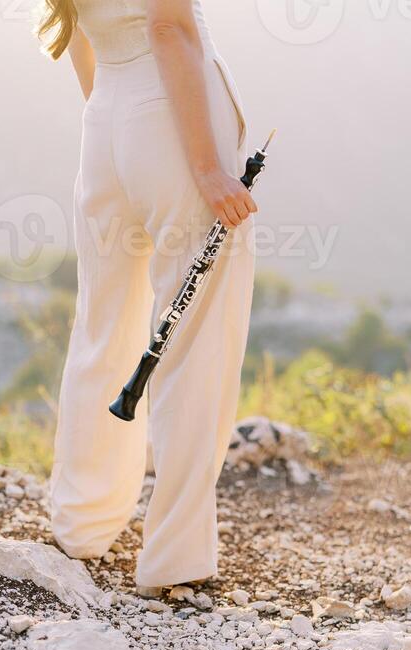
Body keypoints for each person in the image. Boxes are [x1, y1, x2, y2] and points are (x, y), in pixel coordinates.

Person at [39, 0, 257, 596]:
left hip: (103, 122)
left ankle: (81, 523)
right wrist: (208, 166)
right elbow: (168, 25)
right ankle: (174, 559)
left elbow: (78, 32)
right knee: (195, 338)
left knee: (102, 325)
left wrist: (112, 125)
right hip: (170, 121)